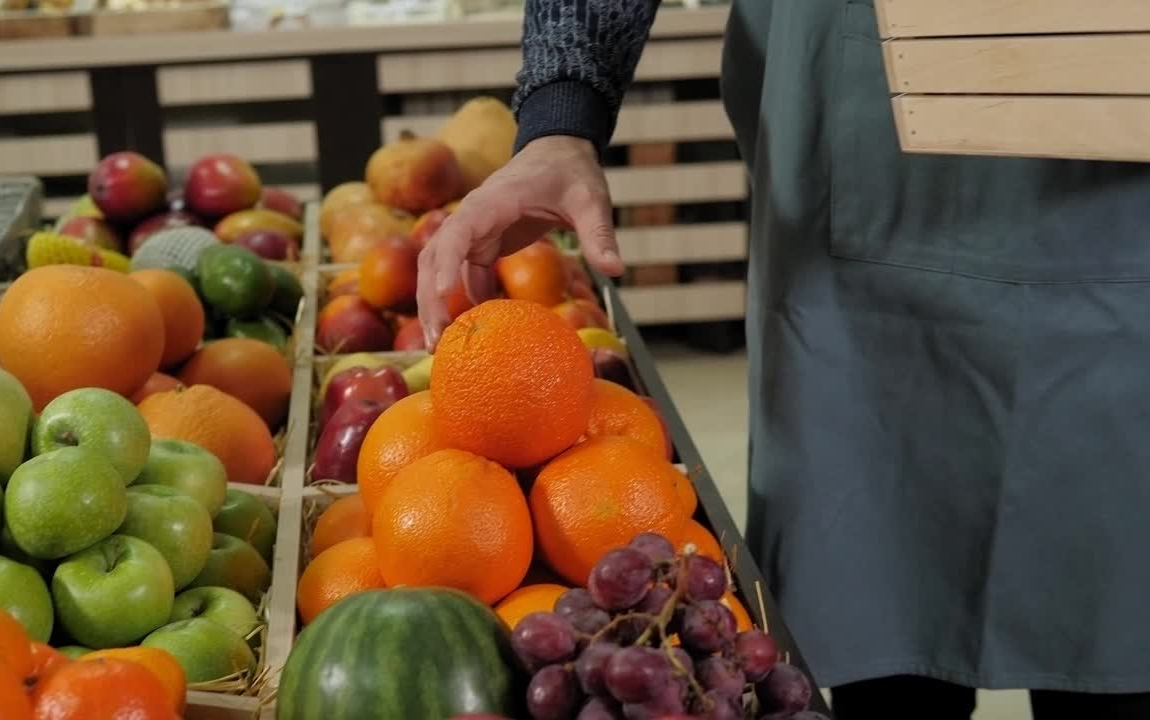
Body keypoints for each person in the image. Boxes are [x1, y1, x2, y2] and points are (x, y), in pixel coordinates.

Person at [415, 1, 1150, 718]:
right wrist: (561, 117)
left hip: (1122, 188)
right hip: (860, 207)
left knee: (1123, 640)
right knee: (886, 660)